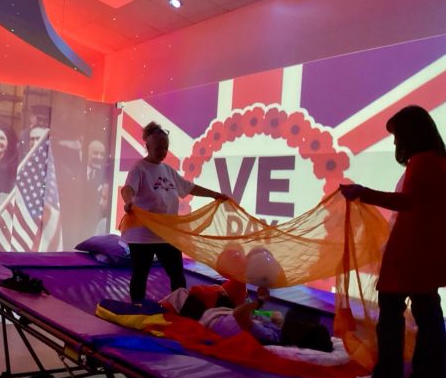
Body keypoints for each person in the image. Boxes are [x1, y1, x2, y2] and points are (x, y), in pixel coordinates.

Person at [340, 105, 446, 378]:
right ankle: (429, 376)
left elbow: (408, 202)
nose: (395, 143)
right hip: (431, 250)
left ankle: (388, 375)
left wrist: (362, 193)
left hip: (411, 249)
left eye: (397, 136)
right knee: (428, 312)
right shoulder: (444, 163)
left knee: (391, 312)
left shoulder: (422, 162)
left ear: (410, 134)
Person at [121, 121, 228, 303]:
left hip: (166, 233)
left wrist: (215, 195)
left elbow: (189, 187)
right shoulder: (139, 168)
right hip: (143, 233)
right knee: (141, 273)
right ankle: (136, 306)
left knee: (177, 274)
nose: (162, 152)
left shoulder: (168, 170)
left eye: (165, 148)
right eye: (158, 148)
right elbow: (128, 189)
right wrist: (129, 202)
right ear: (147, 146)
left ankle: (180, 306)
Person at [162, 281, 333, 352]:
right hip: (225, 311)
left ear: (298, 339)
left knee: (182, 294)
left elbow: (240, 314)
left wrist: (259, 302)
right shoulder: (279, 329)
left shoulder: (270, 337)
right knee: (233, 286)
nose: (298, 322)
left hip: (210, 315)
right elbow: (251, 315)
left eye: (302, 326)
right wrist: (264, 312)